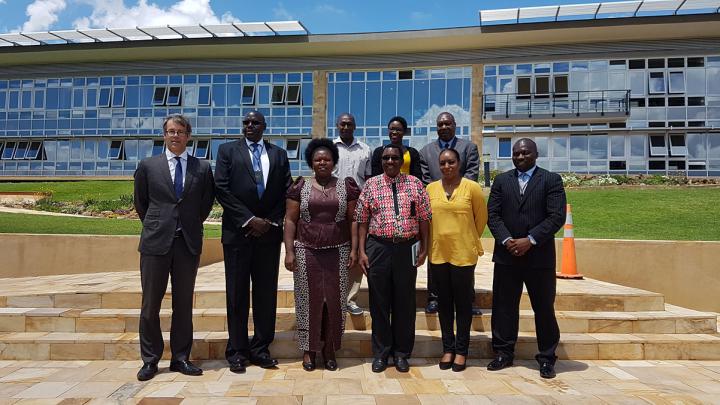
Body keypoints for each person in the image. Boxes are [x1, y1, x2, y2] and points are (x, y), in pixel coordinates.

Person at [133, 114, 215, 381]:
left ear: (188, 135)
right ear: (164, 135)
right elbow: (141, 204)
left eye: (180, 131)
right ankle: (150, 360)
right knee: (150, 305)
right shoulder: (148, 166)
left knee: (183, 305)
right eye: (170, 131)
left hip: (187, 243)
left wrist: (186, 224)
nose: (175, 136)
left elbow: (204, 204)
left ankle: (181, 357)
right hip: (156, 243)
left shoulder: (201, 168)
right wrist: (161, 224)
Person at [214, 111, 292, 374]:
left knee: (265, 294)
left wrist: (268, 222)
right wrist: (248, 219)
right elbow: (221, 188)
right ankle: (236, 350)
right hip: (238, 234)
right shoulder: (227, 151)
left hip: (268, 237)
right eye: (246, 122)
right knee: (236, 294)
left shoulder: (279, 154)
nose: (250, 126)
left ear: (264, 126)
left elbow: (287, 191)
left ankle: (261, 348)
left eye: (255, 122)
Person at [486, 138, 566, 379]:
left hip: (538, 258)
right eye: (516, 153)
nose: (520, 157)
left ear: (535, 154)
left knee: (543, 308)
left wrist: (529, 240)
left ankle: (547, 358)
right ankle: (503, 353)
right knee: (503, 308)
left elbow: (556, 217)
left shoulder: (551, 180)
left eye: (525, 153)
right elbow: (493, 215)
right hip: (506, 256)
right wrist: (507, 240)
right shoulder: (501, 181)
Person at [283, 138, 360, 372]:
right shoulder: (300, 187)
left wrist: (355, 249)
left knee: (334, 303)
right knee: (308, 302)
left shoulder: (346, 186)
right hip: (307, 252)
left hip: (338, 252)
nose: (322, 162)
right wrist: (289, 251)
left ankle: (329, 349)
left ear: (334, 161)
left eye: (327, 158)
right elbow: (289, 220)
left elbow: (353, 219)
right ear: (311, 162)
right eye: (318, 159)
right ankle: (309, 349)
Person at [356, 144, 431, 373]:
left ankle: (401, 354)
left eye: (394, 158)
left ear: (401, 160)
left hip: (406, 248)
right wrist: (361, 250)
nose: (390, 161)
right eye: (386, 158)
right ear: (381, 161)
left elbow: (425, 218)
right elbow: (362, 219)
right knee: (379, 303)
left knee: (405, 303)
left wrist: (425, 248)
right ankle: (381, 353)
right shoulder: (371, 185)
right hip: (378, 247)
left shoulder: (415, 184)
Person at [427, 148, 487, 372]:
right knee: (444, 305)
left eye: (451, 162)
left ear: (459, 163)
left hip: (463, 254)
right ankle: (448, 348)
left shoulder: (472, 188)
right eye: (442, 163)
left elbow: (481, 218)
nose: (446, 167)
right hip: (439, 254)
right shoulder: (431, 189)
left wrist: (468, 238)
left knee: (463, 305)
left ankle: (461, 351)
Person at [419, 112, 480, 315]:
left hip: (461, 210)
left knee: (463, 258)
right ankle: (434, 298)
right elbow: (425, 180)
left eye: (447, 123)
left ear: (455, 125)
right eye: (440, 124)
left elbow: (471, 174)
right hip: (437, 211)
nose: (444, 126)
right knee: (435, 255)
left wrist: (454, 192)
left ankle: (467, 299)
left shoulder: (468, 147)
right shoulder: (426, 151)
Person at [332, 113, 371, 316]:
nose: (346, 127)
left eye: (349, 124)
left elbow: (369, 178)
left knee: (357, 248)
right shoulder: (330, 147)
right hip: (332, 206)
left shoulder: (365, 150)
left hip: (359, 206)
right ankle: (334, 297)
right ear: (337, 125)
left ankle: (351, 299)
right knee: (334, 250)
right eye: (343, 124)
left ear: (355, 126)